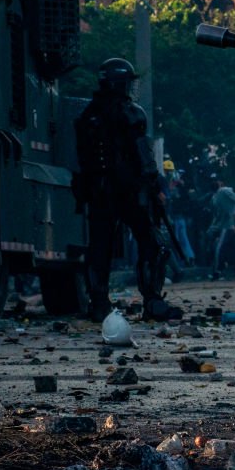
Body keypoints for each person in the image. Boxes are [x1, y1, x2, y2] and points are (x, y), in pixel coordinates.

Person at [72, 58, 183, 321]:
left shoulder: (88, 116)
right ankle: (153, 301)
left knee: (99, 247)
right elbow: (143, 156)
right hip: (129, 190)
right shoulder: (131, 113)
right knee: (152, 243)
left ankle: (98, 303)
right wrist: (154, 184)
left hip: (97, 190)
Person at [207, 174, 235, 280]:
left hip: (229, 225)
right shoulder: (215, 197)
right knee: (233, 248)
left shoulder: (224, 191)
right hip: (226, 225)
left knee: (220, 247)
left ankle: (217, 271)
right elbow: (218, 215)